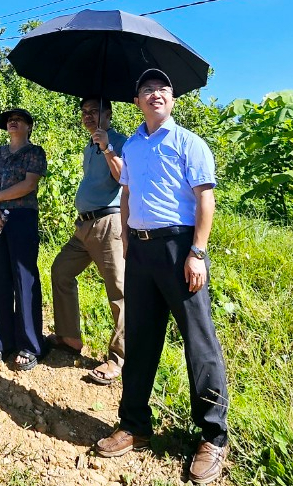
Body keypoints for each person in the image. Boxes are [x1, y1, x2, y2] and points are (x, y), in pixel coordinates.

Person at [94, 69, 229, 485]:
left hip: (179, 248)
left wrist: (197, 252)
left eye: (163, 89)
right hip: (140, 248)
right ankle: (134, 424)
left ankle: (213, 436)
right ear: (137, 101)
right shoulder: (132, 146)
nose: (156, 94)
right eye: (147, 89)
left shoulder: (189, 142)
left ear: (172, 98)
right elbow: (127, 193)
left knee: (198, 340)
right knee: (140, 338)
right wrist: (127, 238)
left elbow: (205, 199)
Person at [48, 97, 128, 384]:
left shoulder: (121, 141)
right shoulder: (88, 146)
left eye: (94, 111)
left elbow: (124, 177)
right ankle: (69, 338)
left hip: (109, 223)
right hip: (84, 225)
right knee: (61, 270)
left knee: (118, 290)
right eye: (84, 112)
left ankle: (118, 359)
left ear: (109, 114)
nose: (88, 116)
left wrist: (107, 147)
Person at [0, 108, 47, 371]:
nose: (13, 122)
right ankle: (0, 342)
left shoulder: (34, 152)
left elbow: (29, 184)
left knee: (24, 279)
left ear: (29, 126)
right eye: (10, 120)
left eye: (18, 119)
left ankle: (30, 345)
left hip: (22, 217)